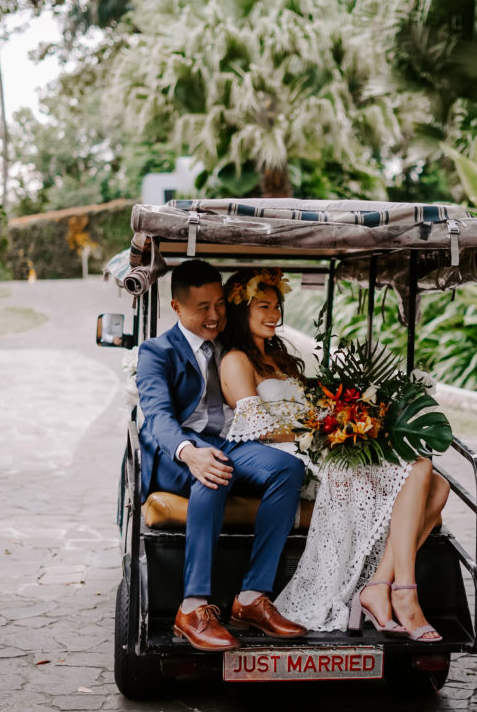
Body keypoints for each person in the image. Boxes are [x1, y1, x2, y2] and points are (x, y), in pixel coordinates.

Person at [219, 266, 451, 640]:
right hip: (294, 457)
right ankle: (402, 592)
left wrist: (346, 418)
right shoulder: (236, 360)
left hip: (323, 448)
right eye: (263, 306)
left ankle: (379, 584)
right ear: (240, 310)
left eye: (277, 305)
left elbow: (315, 405)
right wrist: (322, 429)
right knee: (420, 467)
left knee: (438, 486)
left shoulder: (280, 356)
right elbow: (255, 426)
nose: (274, 314)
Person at [135, 258, 307, 653]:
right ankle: (192, 607)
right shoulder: (156, 352)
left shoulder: (231, 343)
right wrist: (189, 452)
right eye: (203, 309)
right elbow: (159, 418)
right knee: (212, 471)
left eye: (220, 305)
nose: (214, 316)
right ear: (177, 307)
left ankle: (251, 598)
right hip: (177, 453)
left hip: (228, 443)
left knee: (287, 467)